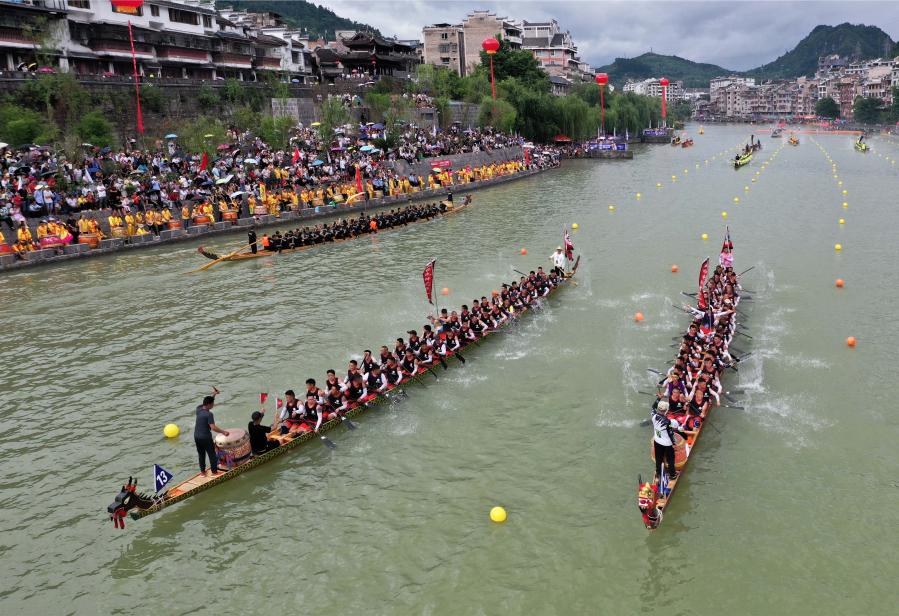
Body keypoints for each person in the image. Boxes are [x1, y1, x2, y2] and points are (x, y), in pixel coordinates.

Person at [193, 392, 229, 475]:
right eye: (213, 403)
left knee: (201, 454)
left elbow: (207, 402)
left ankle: (202, 472)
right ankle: (214, 472)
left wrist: (214, 395)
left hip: (196, 436)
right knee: (212, 454)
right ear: (209, 404)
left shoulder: (198, 409)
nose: (213, 405)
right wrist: (224, 432)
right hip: (205, 437)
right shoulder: (209, 414)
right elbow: (213, 427)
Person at [651, 398, 680, 485]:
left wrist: (658, 398)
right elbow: (671, 432)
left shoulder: (653, 416)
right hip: (667, 444)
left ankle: (658, 475)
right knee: (671, 459)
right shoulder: (669, 422)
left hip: (657, 441)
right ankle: (672, 475)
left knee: (658, 459)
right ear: (666, 410)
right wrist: (674, 444)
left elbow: (653, 407)